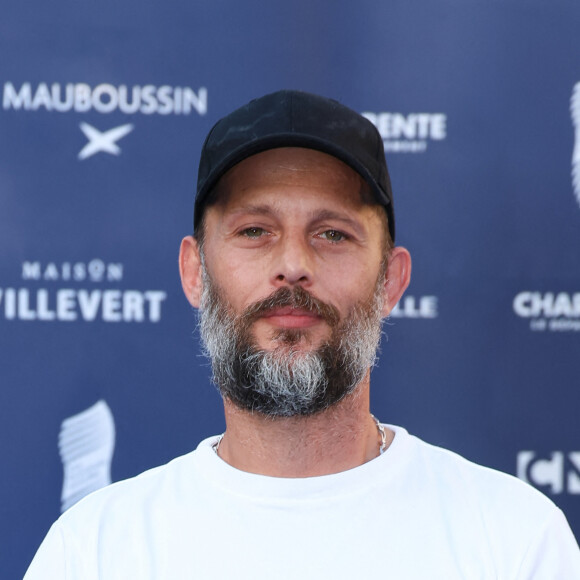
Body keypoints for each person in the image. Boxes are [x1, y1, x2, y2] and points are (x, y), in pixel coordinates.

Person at [25, 90, 580, 579]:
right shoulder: (94, 550)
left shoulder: (514, 540)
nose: (292, 264)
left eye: (332, 233)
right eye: (255, 231)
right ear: (195, 272)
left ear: (391, 280)